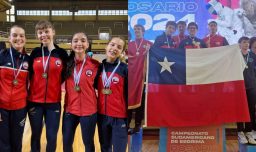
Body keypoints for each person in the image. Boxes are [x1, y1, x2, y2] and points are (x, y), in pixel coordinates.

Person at [27, 20, 68, 152]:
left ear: (53, 32)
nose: (43, 35)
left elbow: (65, 75)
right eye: (40, 32)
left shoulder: (62, 53)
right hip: (34, 102)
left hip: (53, 103)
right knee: (35, 135)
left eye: (46, 31)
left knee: (51, 136)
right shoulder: (35, 52)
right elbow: (30, 75)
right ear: (37, 35)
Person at [62, 32, 99, 152]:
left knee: (88, 144)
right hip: (70, 110)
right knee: (67, 143)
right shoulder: (66, 64)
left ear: (87, 44)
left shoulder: (95, 65)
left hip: (89, 111)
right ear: (71, 44)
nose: (79, 43)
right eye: (75, 40)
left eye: (83, 40)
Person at [0, 25, 30, 152]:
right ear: (9, 38)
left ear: (25, 39)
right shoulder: (1, 56)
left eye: (21, 35)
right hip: (2, 108)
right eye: (15, 35)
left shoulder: (29, 60)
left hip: (20, 108)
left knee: (17, 142)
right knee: (3, 143)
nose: (18, 38)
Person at [95, 36, 128, 152]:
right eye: (112, 44)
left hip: (119, 117)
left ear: (122, 52)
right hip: (102, 116)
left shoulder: (125, 69)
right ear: (106, 46)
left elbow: (130, 95)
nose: (114, 48)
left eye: (119, 47)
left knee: (119, 149)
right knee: (105, 148)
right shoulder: (99, 68)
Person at [128, 24, 152, 134]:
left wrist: (149, 52)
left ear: (143, 31)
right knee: (129, 99)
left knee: (140, 100)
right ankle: (127, 124)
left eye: (139, 29)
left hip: (142, 77)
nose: (137, 31)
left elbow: (156, 58)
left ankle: (138, 124)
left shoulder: (149, 44)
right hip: (131, 78)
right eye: (135, 29)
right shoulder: (130, 45)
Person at [237, 36, 256, 144]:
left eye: (248, 43)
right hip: (240, 87)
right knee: (240, 109)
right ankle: (240, 132)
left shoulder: (252, 55)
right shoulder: (236, 55)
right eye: (244, 42)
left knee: (250, 109)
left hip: (251, 86)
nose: (246, 44)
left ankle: (249, 131)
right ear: (239, 44)